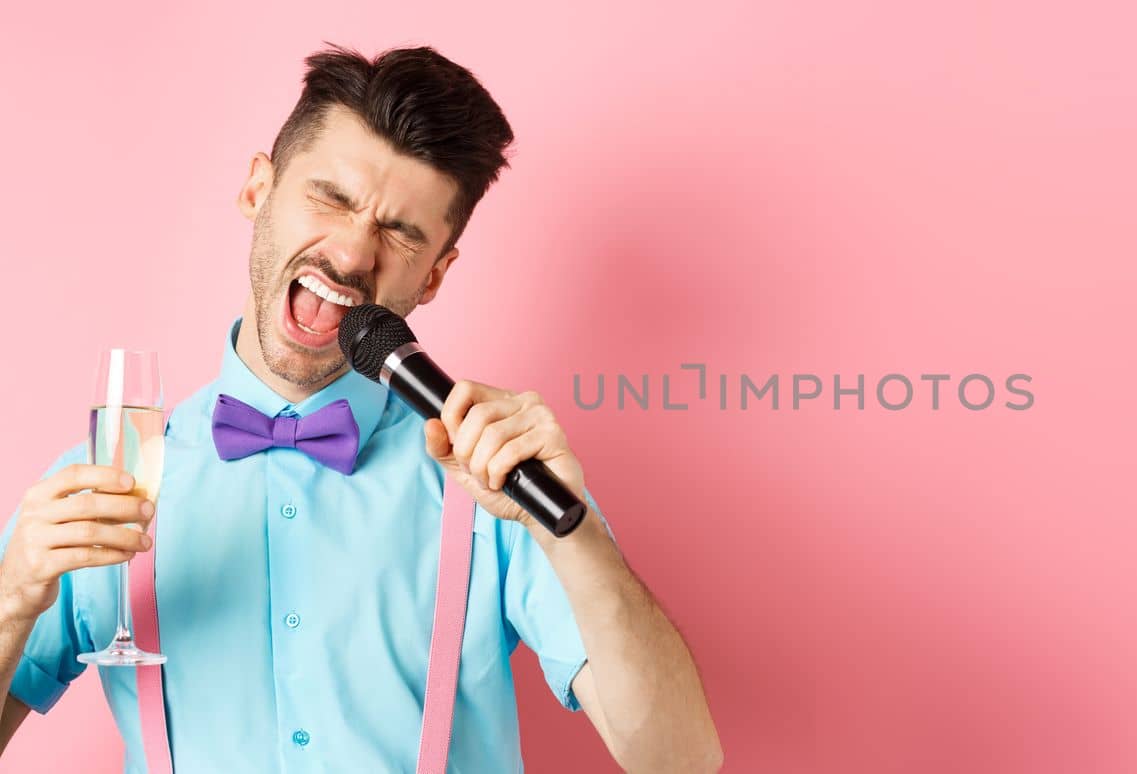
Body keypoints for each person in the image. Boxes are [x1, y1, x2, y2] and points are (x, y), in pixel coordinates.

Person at [0, 44, 722, 773]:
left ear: (435, 275)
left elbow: (681, 759)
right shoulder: (105, 486)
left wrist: (577, 533)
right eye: (332, 198)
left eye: (401, 233)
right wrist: (11, 598)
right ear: (258, 189)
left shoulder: (494, 481)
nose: (350, 253)